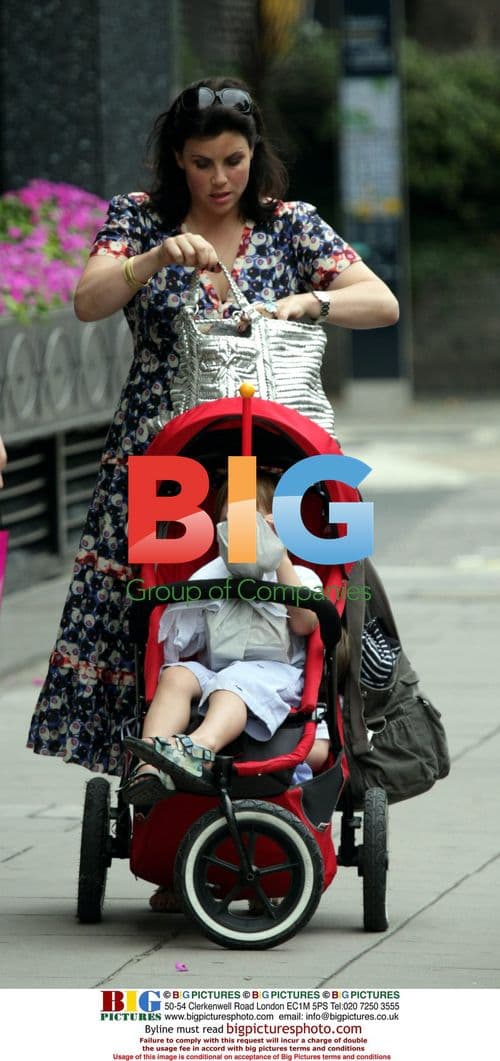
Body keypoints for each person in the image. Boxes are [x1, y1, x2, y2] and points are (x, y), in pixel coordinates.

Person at [27, 75, 399, 776]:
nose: (220, 178)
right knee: (158, 628)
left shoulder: (291, 222)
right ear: (177, 159)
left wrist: (309, 302)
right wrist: (158, 256)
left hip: (270, 464)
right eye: (202, 163)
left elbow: (380, 302)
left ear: (254, 153)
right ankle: (158, 812)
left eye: (234, 160)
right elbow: (87, 299)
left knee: (287, 614)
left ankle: (279, 772)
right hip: (161, 459)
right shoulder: (139, 218)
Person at [121, 473, 327, 803]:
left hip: (277, 679)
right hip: (217, 672)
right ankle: (148, 766)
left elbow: (305, 623)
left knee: (232, 682)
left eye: (253, 523)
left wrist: (280, 555)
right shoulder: (210, 575)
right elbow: (184, 641)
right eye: (232, 522)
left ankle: (198, 747)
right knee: (176, 675)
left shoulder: (298, 575)